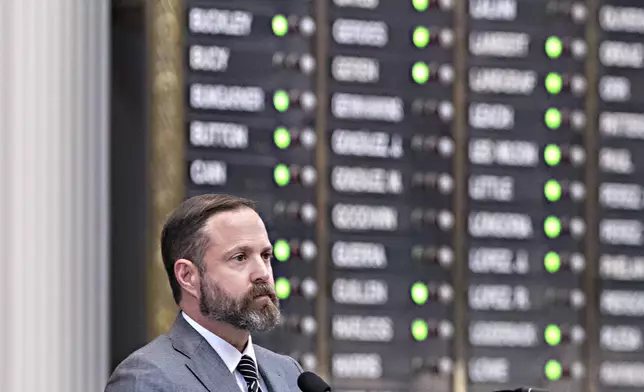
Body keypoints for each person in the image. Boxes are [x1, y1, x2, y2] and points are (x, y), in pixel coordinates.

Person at [105, 194, 304, 392]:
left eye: (265, 255)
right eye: (240, 257)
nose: (262, 273)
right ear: (188, 276)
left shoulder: (289, 373)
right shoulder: (146, 379)